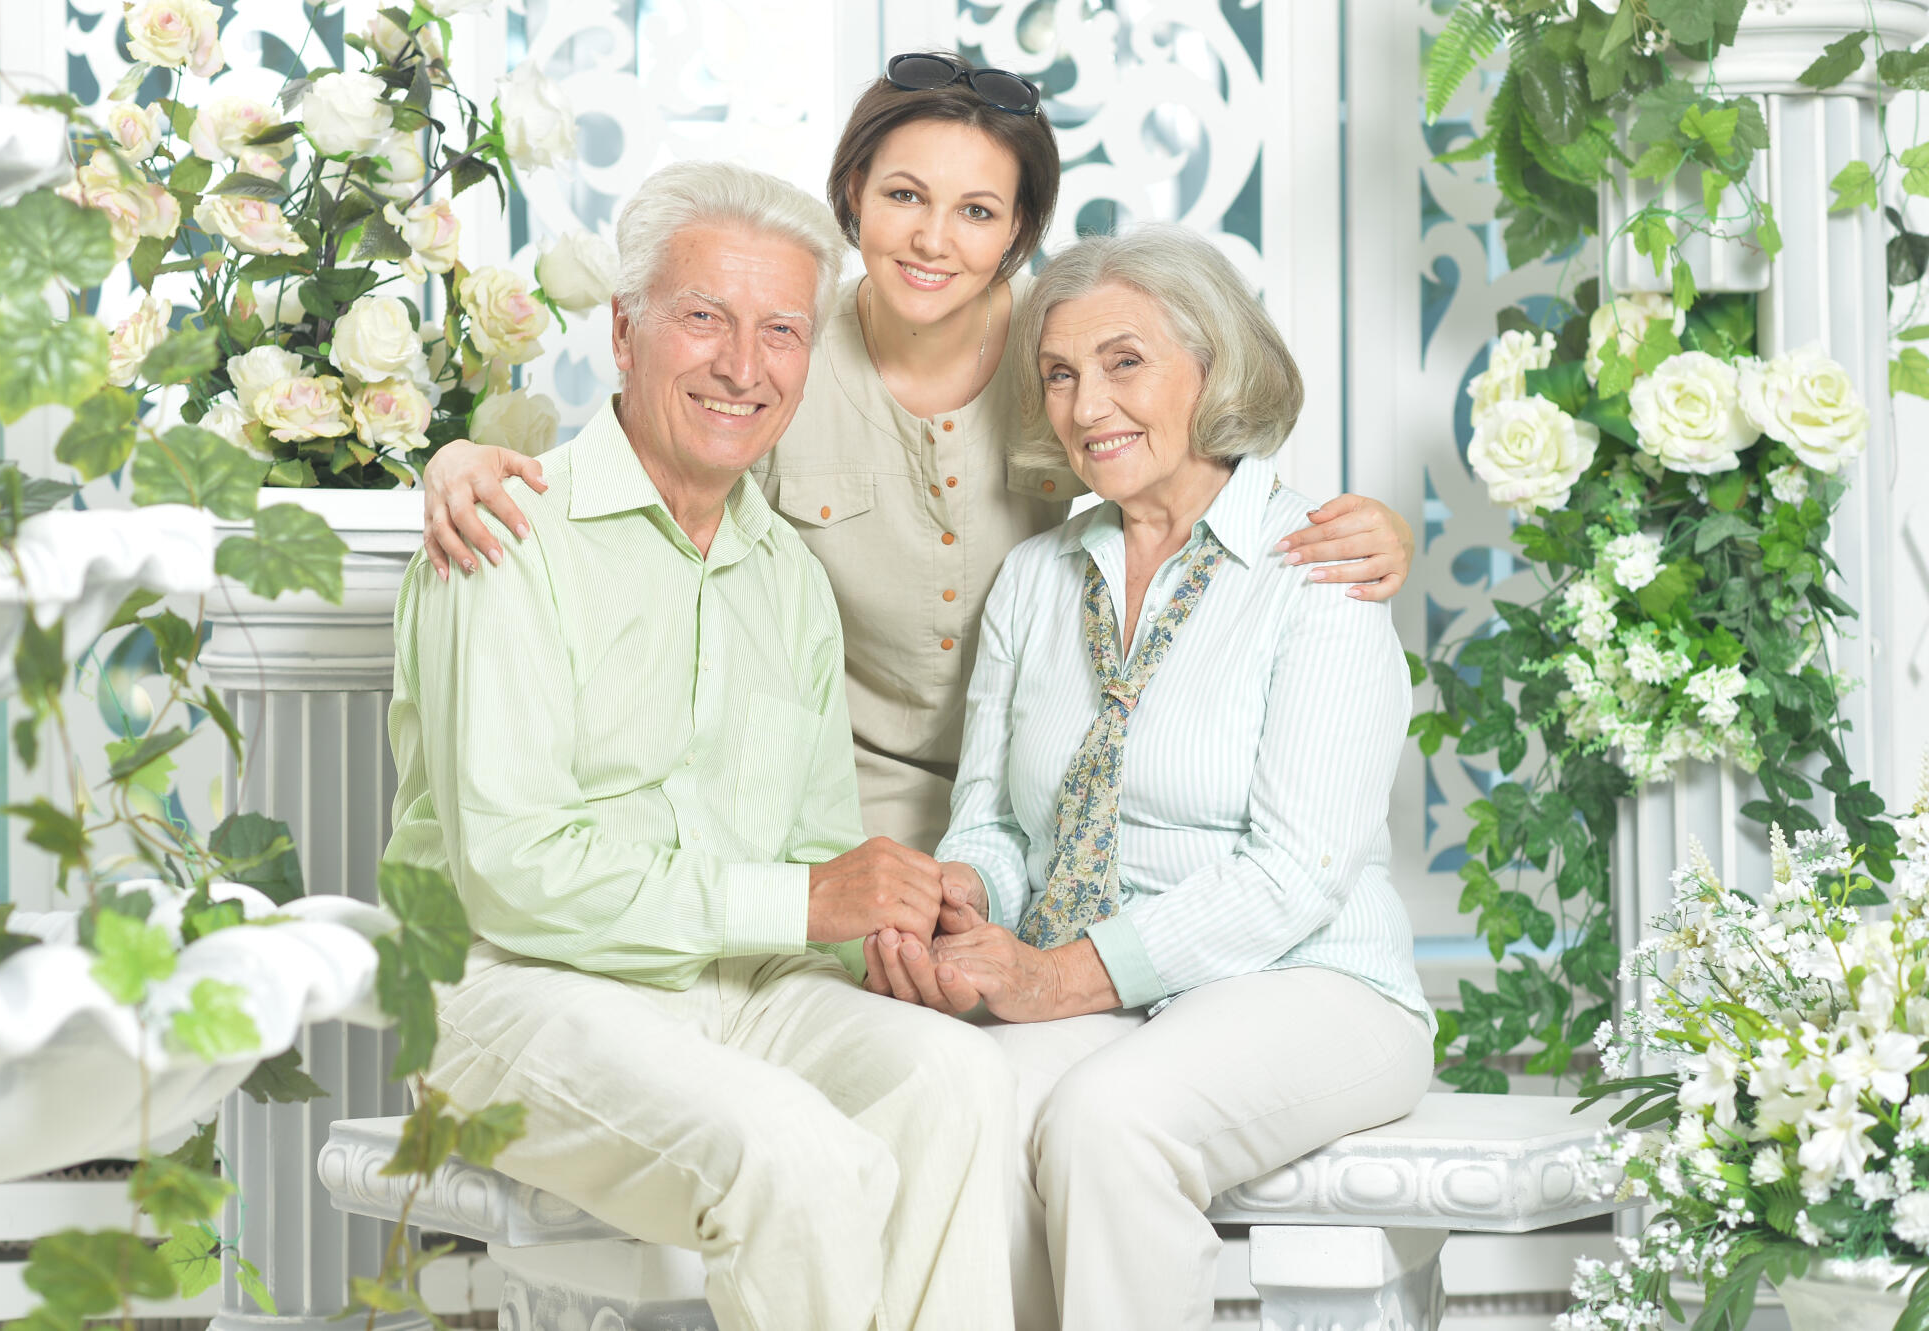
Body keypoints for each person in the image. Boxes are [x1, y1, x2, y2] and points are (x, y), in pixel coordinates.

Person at [417, 52, 1419, 854]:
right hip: (831, 809)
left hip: (1034, 798)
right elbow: (656, 467)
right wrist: (454, 458)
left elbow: (1191, 468)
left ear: (1018, 231)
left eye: (977, 211)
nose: (934, 240)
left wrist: (1369, 527)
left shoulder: (1068, 351)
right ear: (853, 194)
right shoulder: (779, 350)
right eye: (904, 195)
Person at [384, 159, 1016, 1331]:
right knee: (791, 1151)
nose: (742, 365)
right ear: (624, 334)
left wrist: (905, 930)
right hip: (517, 989)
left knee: (961, 1080)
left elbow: (818, 856)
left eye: (781, 331)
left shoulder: (789, 580)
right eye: (704, 319)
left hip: (742, 988)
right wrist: (806, 900)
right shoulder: (506, 531)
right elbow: (513, 875)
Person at [864, 226, 1434, 1331]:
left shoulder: (1320, 569)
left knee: (1107, 1122)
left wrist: (1053, 978)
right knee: (966, 1108)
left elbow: (1293, 878)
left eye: (1124, 362)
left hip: (1312, 980)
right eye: (1059, 374)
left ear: (1212, 369)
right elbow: (991, 819)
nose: (1087, 406)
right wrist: (963, 901)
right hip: (1114, 998)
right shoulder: (1035, 578)